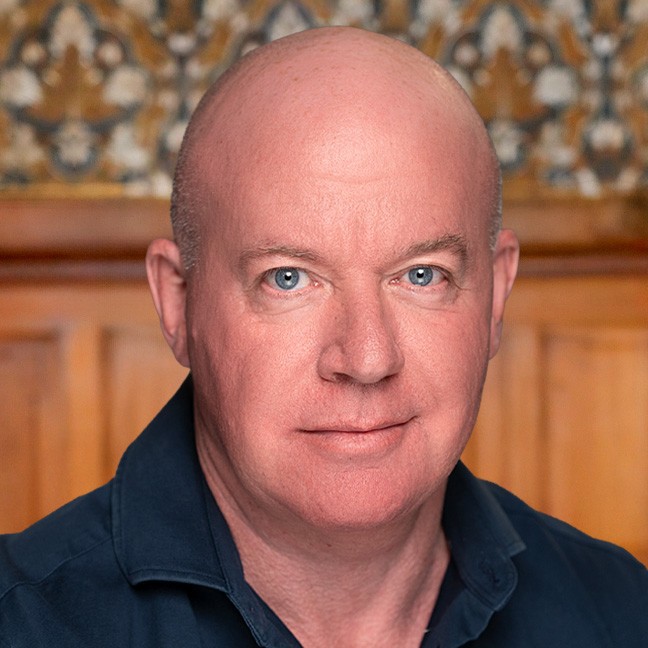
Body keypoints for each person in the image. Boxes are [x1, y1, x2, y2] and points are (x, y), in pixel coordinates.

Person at [0, 26, 646, 648]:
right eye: (288, 278)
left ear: (497, 295)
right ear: (177, 303)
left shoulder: (623, 613)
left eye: (422, 275)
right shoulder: (23, 625)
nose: (367, 358)